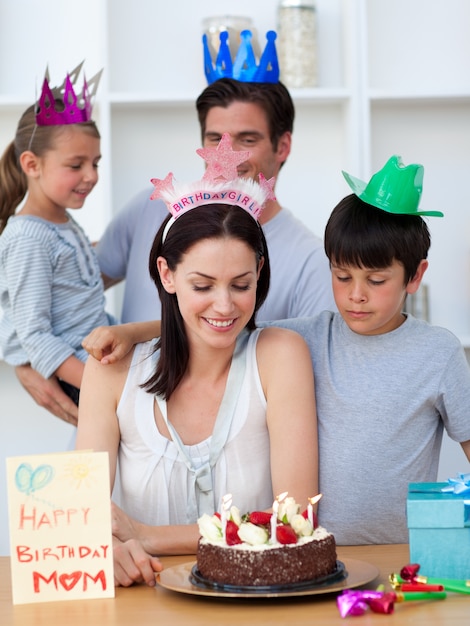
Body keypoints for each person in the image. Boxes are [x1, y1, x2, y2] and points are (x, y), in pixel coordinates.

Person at [85, 156, 470, 546]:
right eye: (341, 276)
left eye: (376, 280)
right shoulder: (311, 335)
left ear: (415, 275)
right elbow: (221, 325)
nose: (356, 294)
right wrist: (132, 332)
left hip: (400, 555)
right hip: (317, 557)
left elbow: (226, 322)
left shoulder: (436, 353)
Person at [75, 137, 319, 587]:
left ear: (260, 272)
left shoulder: (280, 357)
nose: (224, 306)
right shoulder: (110, 371)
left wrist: (147, 536)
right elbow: (81, 519)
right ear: (167, 275)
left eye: (241, 284)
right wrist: (104, 548)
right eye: (203, 286)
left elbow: (295, 520)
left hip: (258, 606)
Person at [0, 66, 115, 417]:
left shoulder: (60, 220)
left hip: (95, 356)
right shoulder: (28, 238)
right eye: (76, 165)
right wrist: (106, 388)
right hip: (78, 373)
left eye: (94, 163)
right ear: (32, 165)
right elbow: (34, 335)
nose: (91, 176)